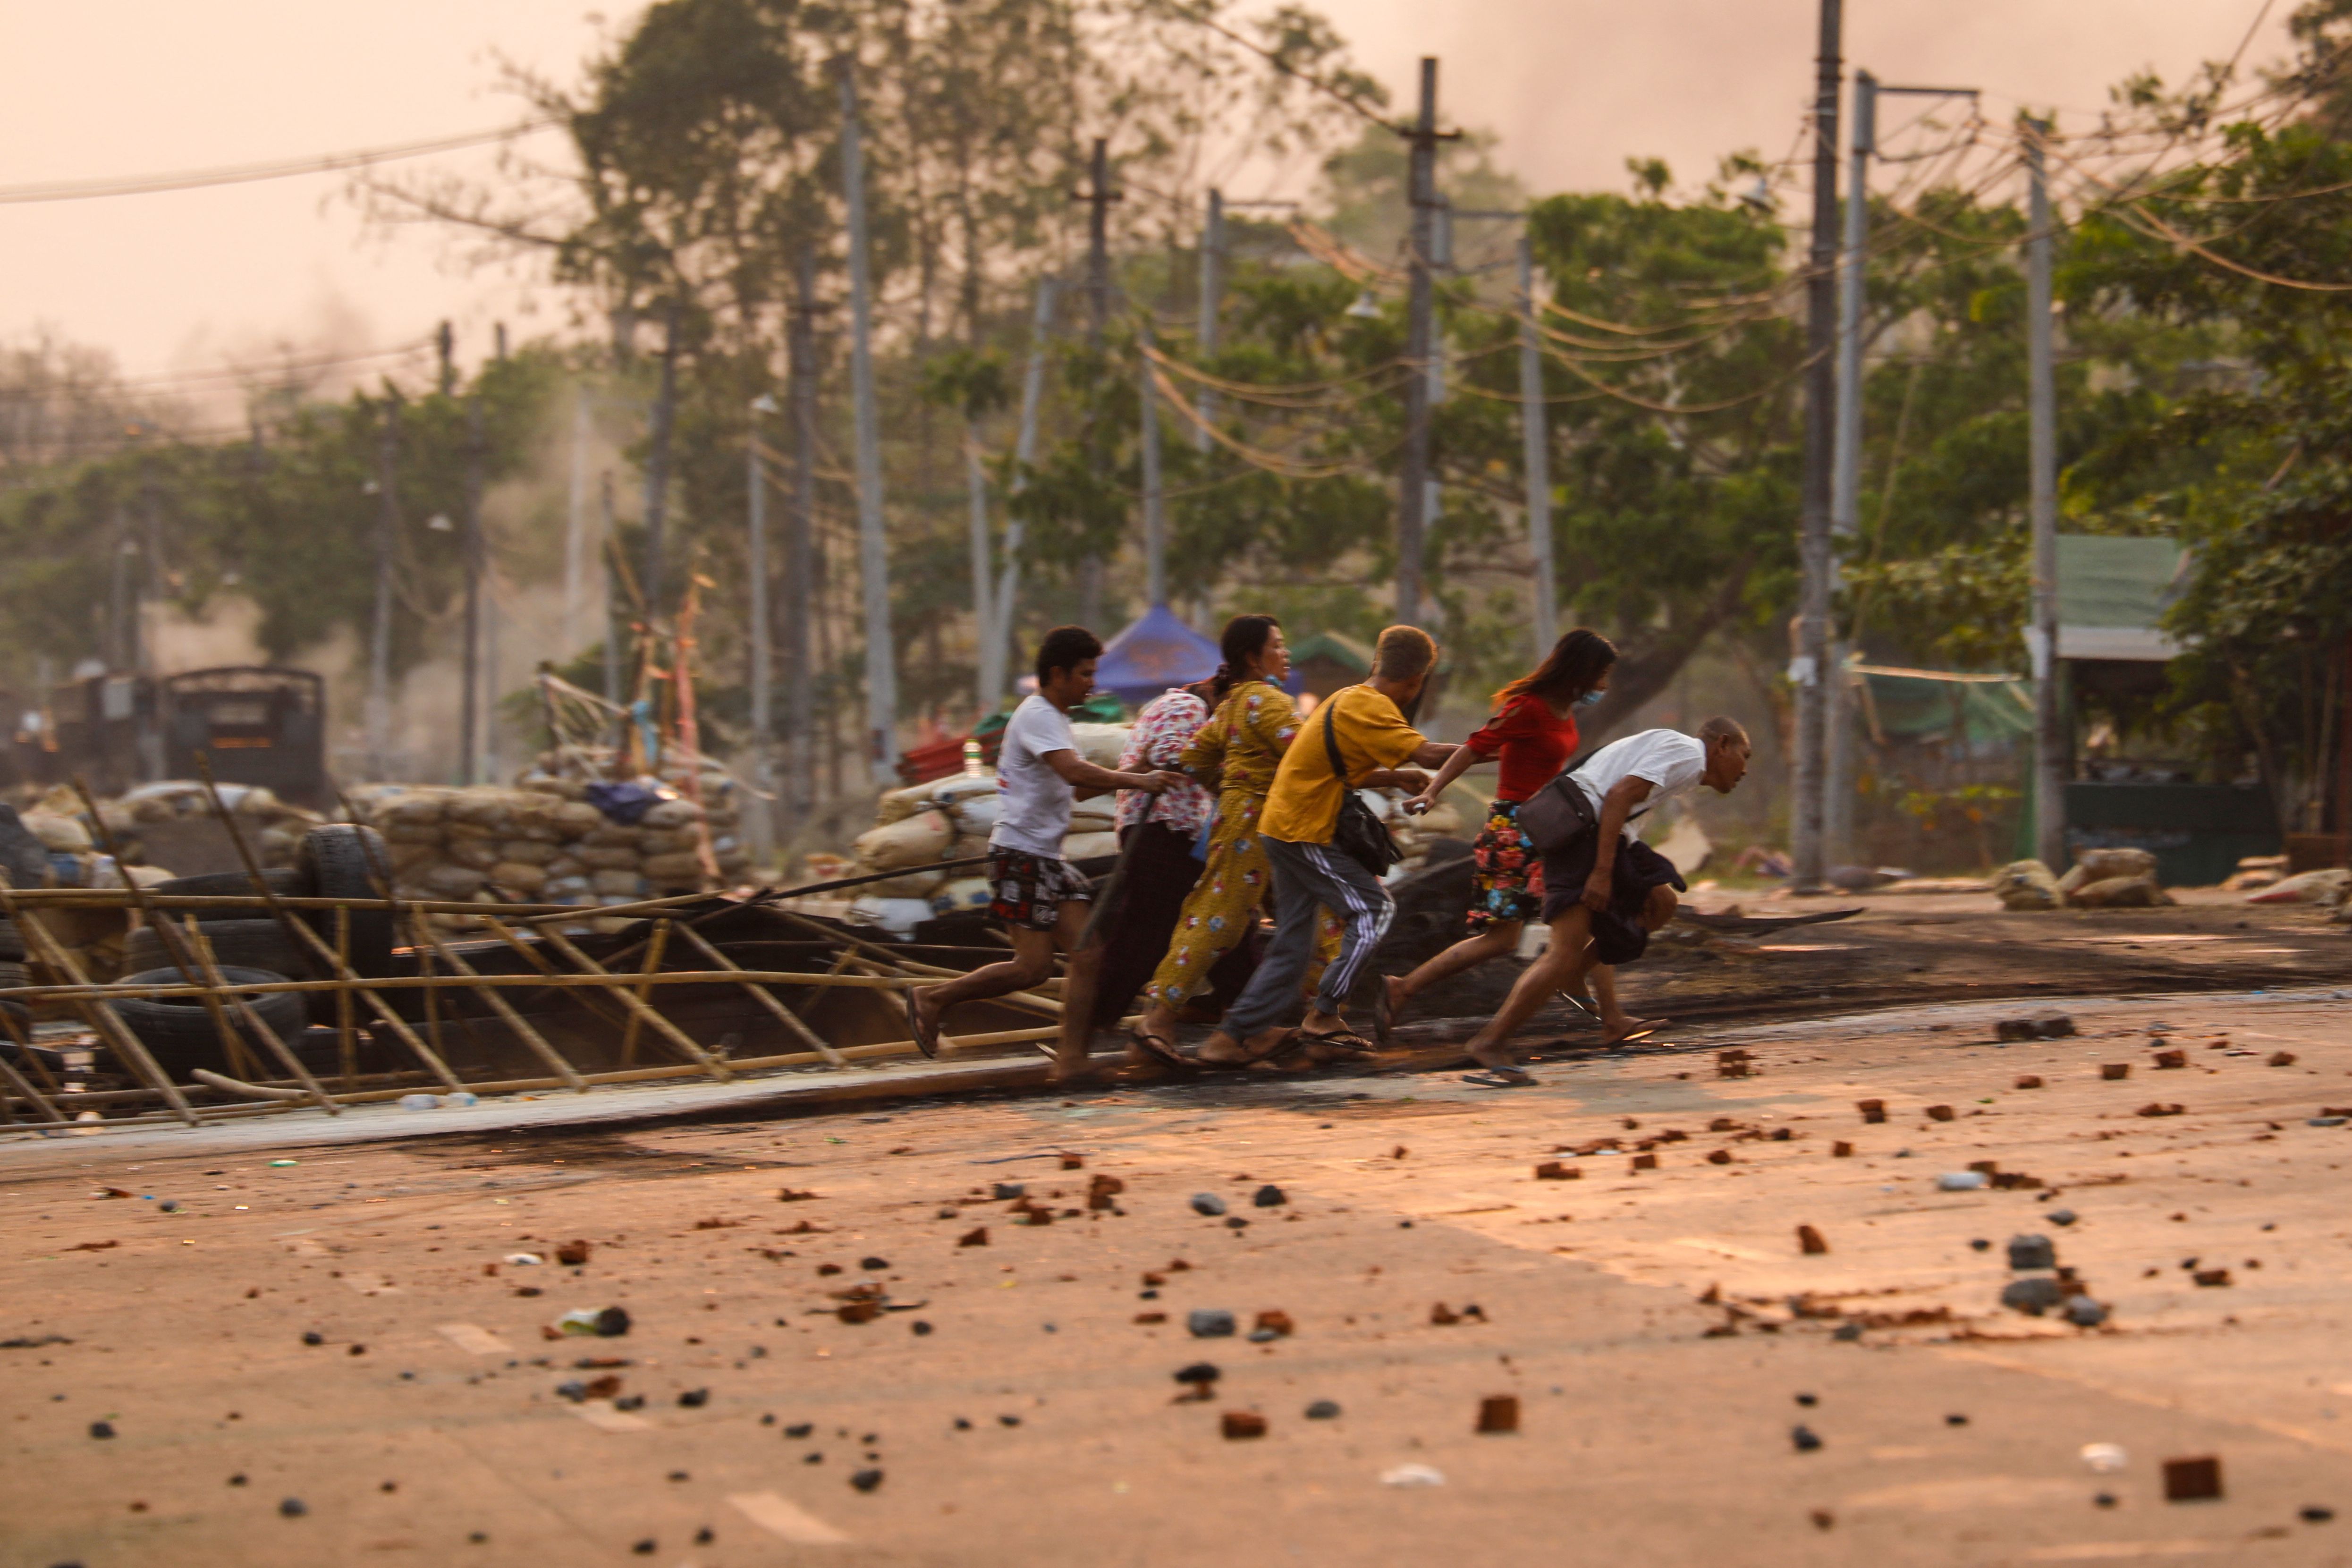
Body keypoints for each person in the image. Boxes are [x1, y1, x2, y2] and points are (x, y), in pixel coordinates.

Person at [909, 626, 1182, 1064]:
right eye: (1085, 674)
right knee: (1032, 968)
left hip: (1046, 858)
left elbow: (1075, 791)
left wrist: (1141, 770)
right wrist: (1139, 780)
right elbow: (1075, 773)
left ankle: (1071, 1060)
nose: (1093, 683)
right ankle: (933, 998)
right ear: (1058, 674)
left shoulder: (1056, 720)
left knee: (1088, 955)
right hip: (1020, 855)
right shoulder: (1037, 714)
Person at [1191, 625, 1457, 1070]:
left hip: (1283, 825)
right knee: (1375, 910)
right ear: (1416, 681)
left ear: (1376, 664)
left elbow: (1335, 769)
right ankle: (1325, 1014)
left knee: (1295, 941)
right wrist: (1496, 746)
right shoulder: (1371, 706)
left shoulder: (1349, 697)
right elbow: (1430, 755)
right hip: (1301, 829)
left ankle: (1231, 1037)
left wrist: (1393, 777)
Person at [1379, 629, 1664, 1042]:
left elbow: (1520, 753)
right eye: (1601, 675)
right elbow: (1474, 747)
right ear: (1580, 672)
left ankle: (1403, 987)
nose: (1604, 685)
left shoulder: (1563, 711)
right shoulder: (1526, 707)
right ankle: (1608, 1016)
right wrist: (1432, 790)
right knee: (1556, 924)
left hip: (1549, 826)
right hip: (1517, 831)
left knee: (1516, 936)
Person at [1457, 716, 1751, 1085]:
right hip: (1583, 835)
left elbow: (1617, 793)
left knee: (1660, 901)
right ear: (1722, 745)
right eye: (1745, 755)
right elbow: (1618, 795)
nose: (1745, 769)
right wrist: (1601, 872)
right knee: (1564, 951)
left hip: (1595, 831)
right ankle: (1491, 1040)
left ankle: (1597, 1003)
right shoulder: (1689, 755)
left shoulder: (1680, 759)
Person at [1123, 616, 1339, 1070]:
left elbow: (1195, 757)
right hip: (1256, 826)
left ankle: (1320, 1023)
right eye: (1278, 646)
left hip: (1262, 824)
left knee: (1312, 919)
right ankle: (1156, 1019)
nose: (1286, 654)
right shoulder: (1265, 699)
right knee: (1218, 920)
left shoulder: (1232, 704)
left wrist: (1229, 786)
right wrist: (1384, 765)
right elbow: (1310, 753)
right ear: (1252, 657)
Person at [1046, 663, 1224, 1079]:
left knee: (1216, 924)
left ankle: (1228, 1016)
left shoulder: (1182, 705)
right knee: (1144, 938)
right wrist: (1228, 770)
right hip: (1160, 829)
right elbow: (1167, 756)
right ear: (1217, 690)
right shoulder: (1186, 704)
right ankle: (1084, 1036)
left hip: (1172, 831)